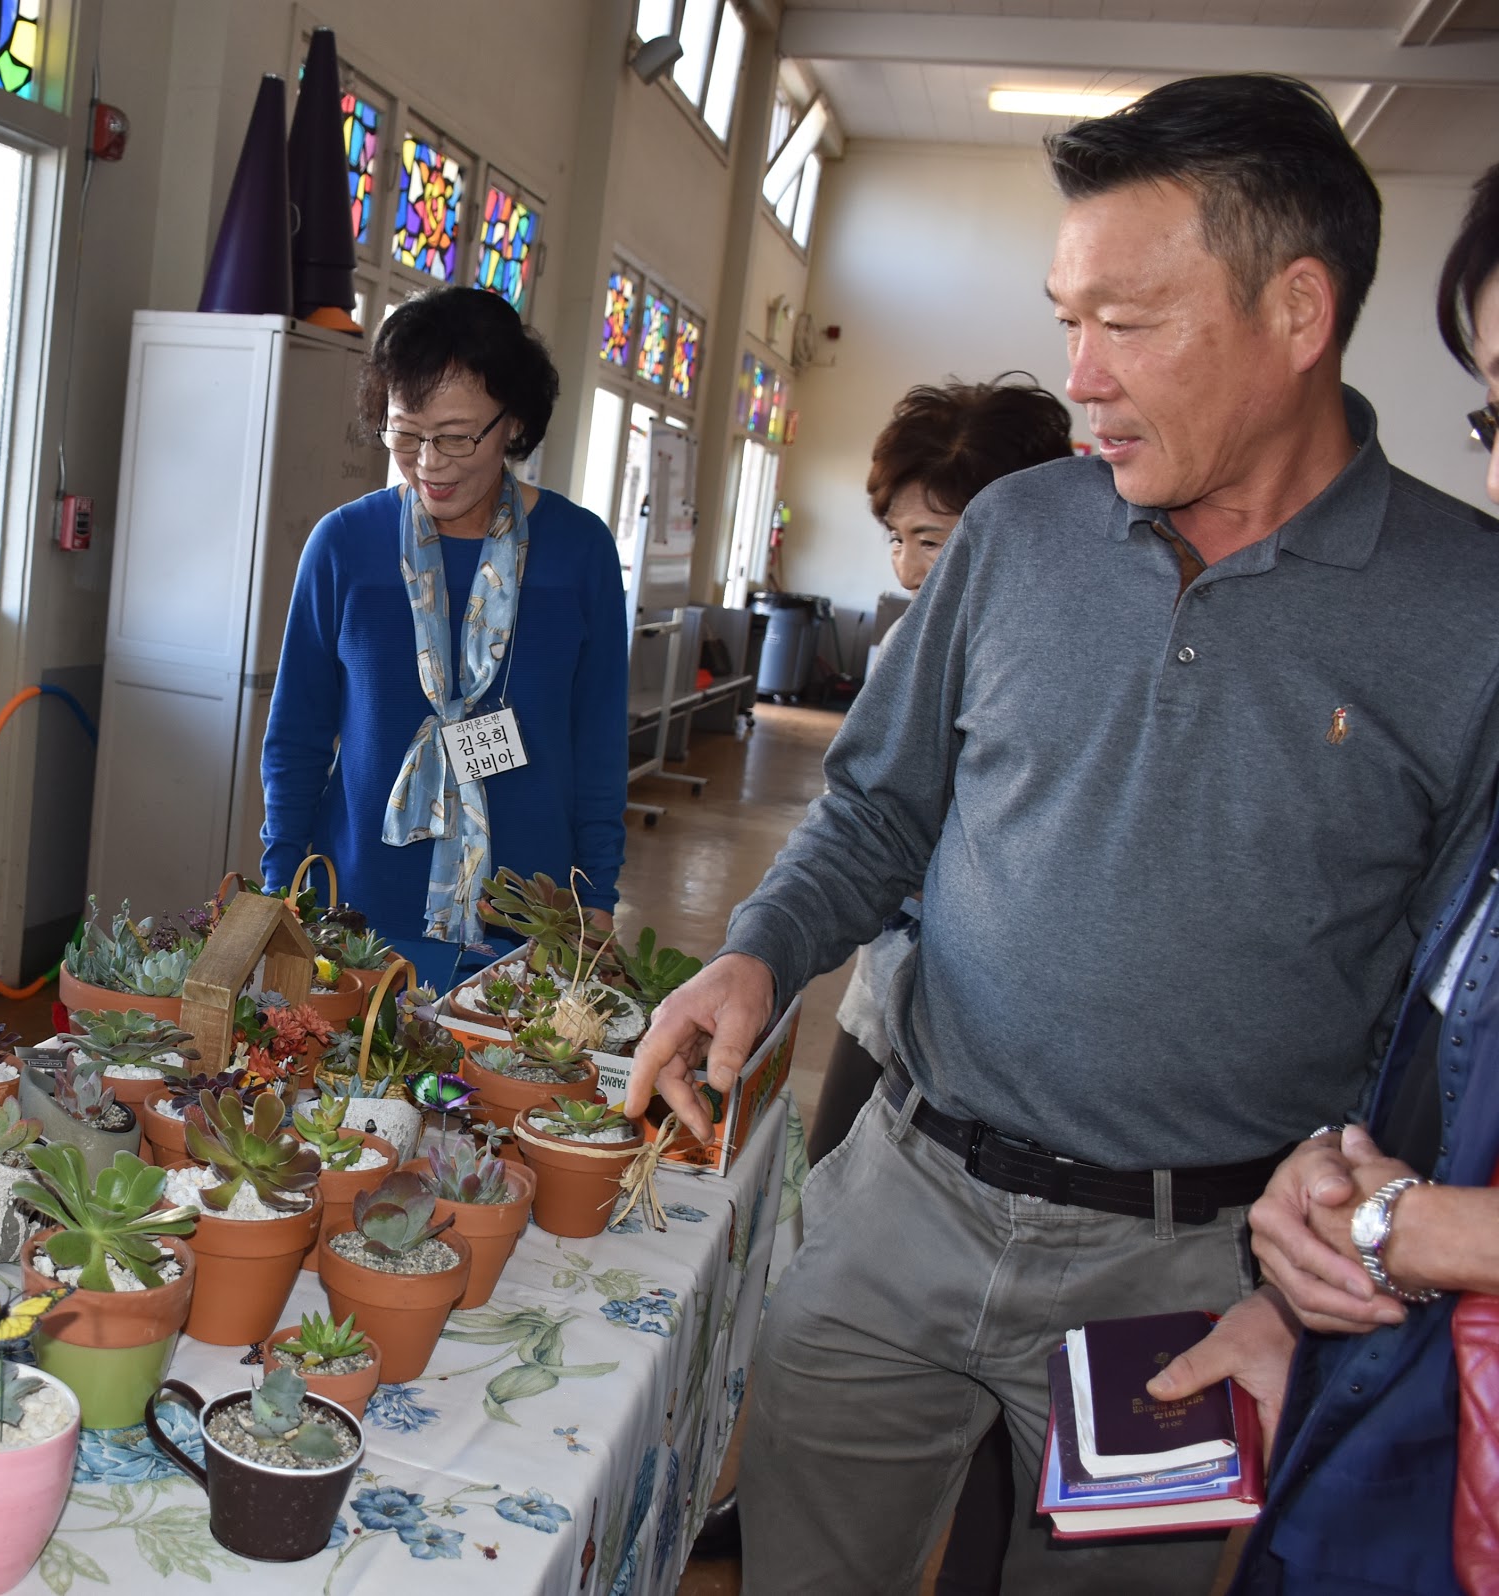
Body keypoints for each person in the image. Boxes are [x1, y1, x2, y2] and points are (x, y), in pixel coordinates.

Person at [625, 76, 1499, 1594]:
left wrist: (1308, 1293)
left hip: (1192, 1275)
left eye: (1130, 322)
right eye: (1065, 315)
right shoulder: (1022, 535)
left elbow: (1447, 1027)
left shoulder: (1467, 615)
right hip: (905, 1196)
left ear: (1299, 314)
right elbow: (879, 809)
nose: (1078, 376)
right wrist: (756, 962)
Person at [1151, 159, 1499, 1596]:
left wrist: (1396, 1230)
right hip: (1408, 1441)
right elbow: (1443, 1026)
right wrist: (1334, 1210)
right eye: (1498, 413)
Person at [259, 286, 628, 985]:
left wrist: (597, 901)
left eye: (457, 436)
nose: (429, 461)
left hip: (529, 925)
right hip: (355, 916)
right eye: (406, 433)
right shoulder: (344, 546)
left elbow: (599, 747)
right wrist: (283, 890)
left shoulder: (579, 551)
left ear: (513, 420)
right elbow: (297, 739)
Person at [812, 374, 1075, 1166]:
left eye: (932, 538)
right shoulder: (905, 650)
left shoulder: (1062, 658)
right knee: (835, 1166)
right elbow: (864, 816)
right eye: (896, 537)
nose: (907, 567)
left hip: (996, 1017)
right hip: (891, 978)